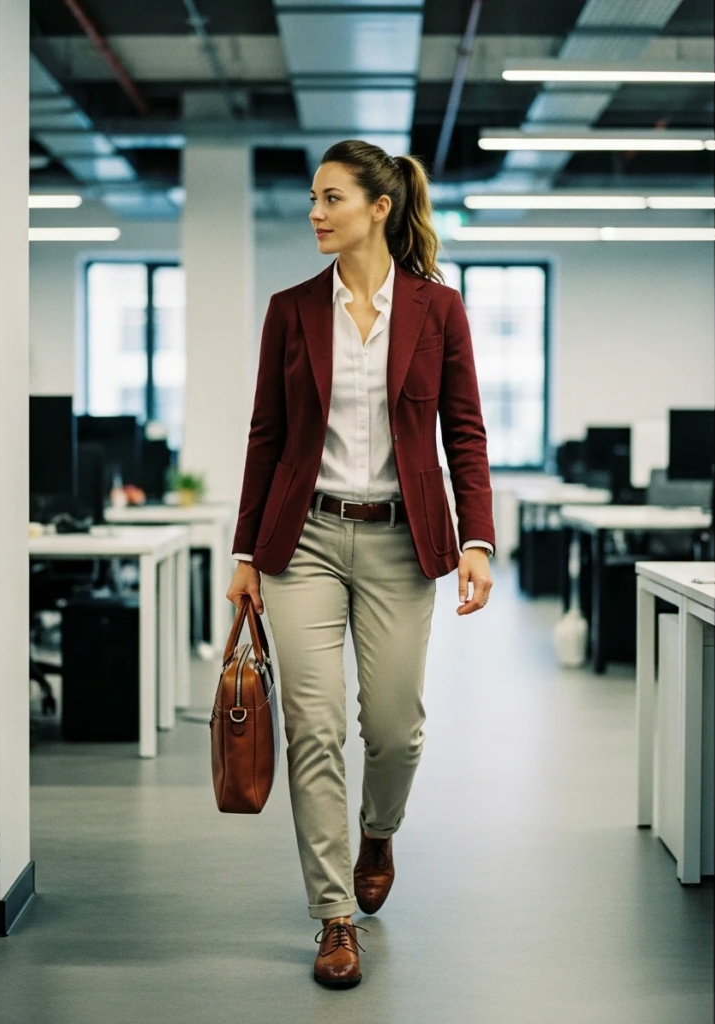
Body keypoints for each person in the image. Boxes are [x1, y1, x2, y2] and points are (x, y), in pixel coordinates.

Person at [226, 139, 494, 988]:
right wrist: (245, 552)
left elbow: (465, 433)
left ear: (379, 207)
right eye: (313, 197)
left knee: (394, 729)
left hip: (400, 540)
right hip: (299, 541)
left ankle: (379, 830)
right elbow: (266, 435)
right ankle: (334, 916)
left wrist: (477, 540)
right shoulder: (292, 309)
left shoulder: (437, 310)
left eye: (331, 198)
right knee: (314, 725)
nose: (315, 212)